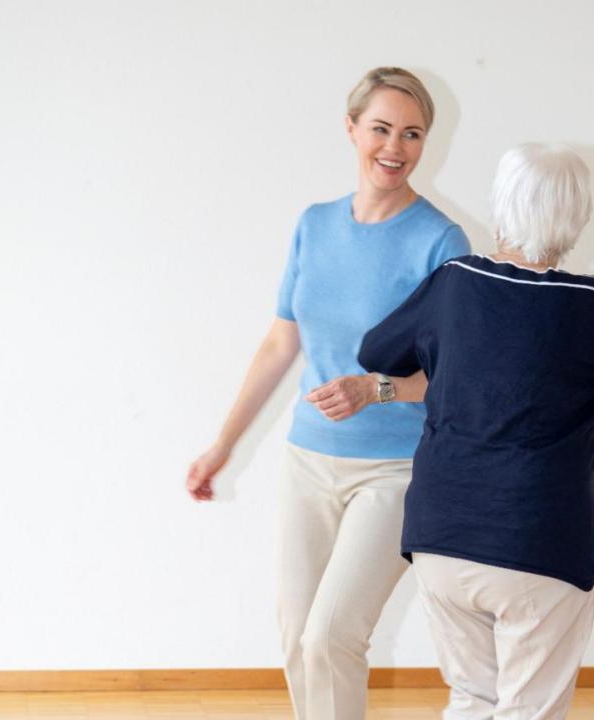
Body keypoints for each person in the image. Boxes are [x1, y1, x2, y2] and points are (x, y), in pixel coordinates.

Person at [356, 144, 594, 719]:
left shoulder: (454, 282)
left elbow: (376, 352)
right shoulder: (593, 306)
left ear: (501, 203)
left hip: (440, 537)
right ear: (576, 218)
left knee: (471, 701)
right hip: (538, 546)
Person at [185, 67, 470, 720]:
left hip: (395, 470)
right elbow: (279, 344)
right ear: (351, 129)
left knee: (331, 637)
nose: (394, 147)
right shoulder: (313, 225)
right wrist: (223, 446)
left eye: (412, 134)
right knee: (296, 637)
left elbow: (457, 374)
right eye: (380, 129)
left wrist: (377, 389)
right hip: (307, 461)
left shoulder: (439, 241)